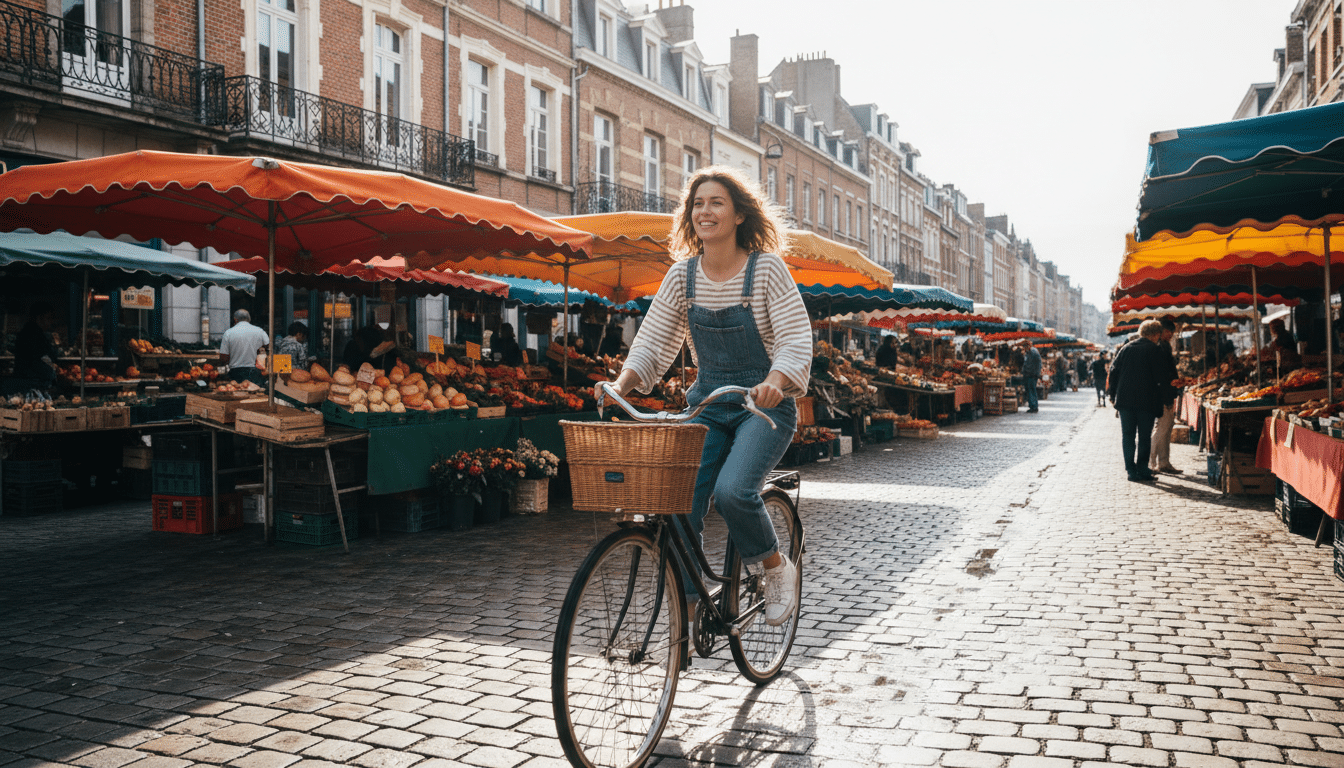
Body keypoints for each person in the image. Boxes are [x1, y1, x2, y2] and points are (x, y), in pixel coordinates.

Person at [607, 165, 811, 627]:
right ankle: (690, 606)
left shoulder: (766, 269)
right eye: (697, 203)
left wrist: (775, 381)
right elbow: (653, 340)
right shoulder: (683, 277)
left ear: (739, 215)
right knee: (677, 501)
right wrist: (622, 385)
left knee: (733, 492)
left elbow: (795, 338)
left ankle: (776, 567)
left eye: (716, 202)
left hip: (764, 409)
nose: (705, 211)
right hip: (708, 404)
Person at [1108, 320, 1168, 483]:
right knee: (1144, 436)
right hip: (1146, 401)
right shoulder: (1155, 350)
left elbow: (1113, 372)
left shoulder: (1126, 348)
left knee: (1128, 436)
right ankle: (1142, 469)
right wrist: (1165, 397)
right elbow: (1161, 377)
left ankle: (1131, 471)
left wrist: (1113, 395)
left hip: (1125, 401)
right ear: (1155, 334)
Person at [1148, 318, 1182, 475]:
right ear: (1161, 332)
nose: (1171, 335)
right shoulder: (1159, 348)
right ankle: (1151, 463)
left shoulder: (1165, 346)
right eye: (1169, 332)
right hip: (1163, 395)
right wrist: (1167, 395)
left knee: (1166, 428)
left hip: (1167, 393)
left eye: (1172, 332)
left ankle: (1163, 462)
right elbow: (1161, 375)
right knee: (1161, 429)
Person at [219, 309, 269, 385]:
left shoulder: (228, 333)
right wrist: (258, 351)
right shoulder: (260, 331)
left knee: (238, 390)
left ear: (235, 319)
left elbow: (223, 357)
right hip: (255, 372)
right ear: (249, 319)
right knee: (257, 391)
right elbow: (268, 346)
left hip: (235, 373)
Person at [14, 301, 59, 387]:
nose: (51, 322)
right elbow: (43, 356)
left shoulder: (29, 332)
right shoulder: (34, 335)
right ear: (39, 318)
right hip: (32, 381)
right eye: (48, 318)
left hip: (27, 379)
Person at [1021, 341, 1042, 413]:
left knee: (1031, 390)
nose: (1024, 349)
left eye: (1024, 347)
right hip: (1031, 374)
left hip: (1031, 375)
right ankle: (1033, 406)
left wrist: (1026, 371)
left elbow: (1030, 364)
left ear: (1027, 346)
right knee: (1031, 390)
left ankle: (1033, 406)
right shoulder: (1031, 352)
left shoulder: (1032, 352)